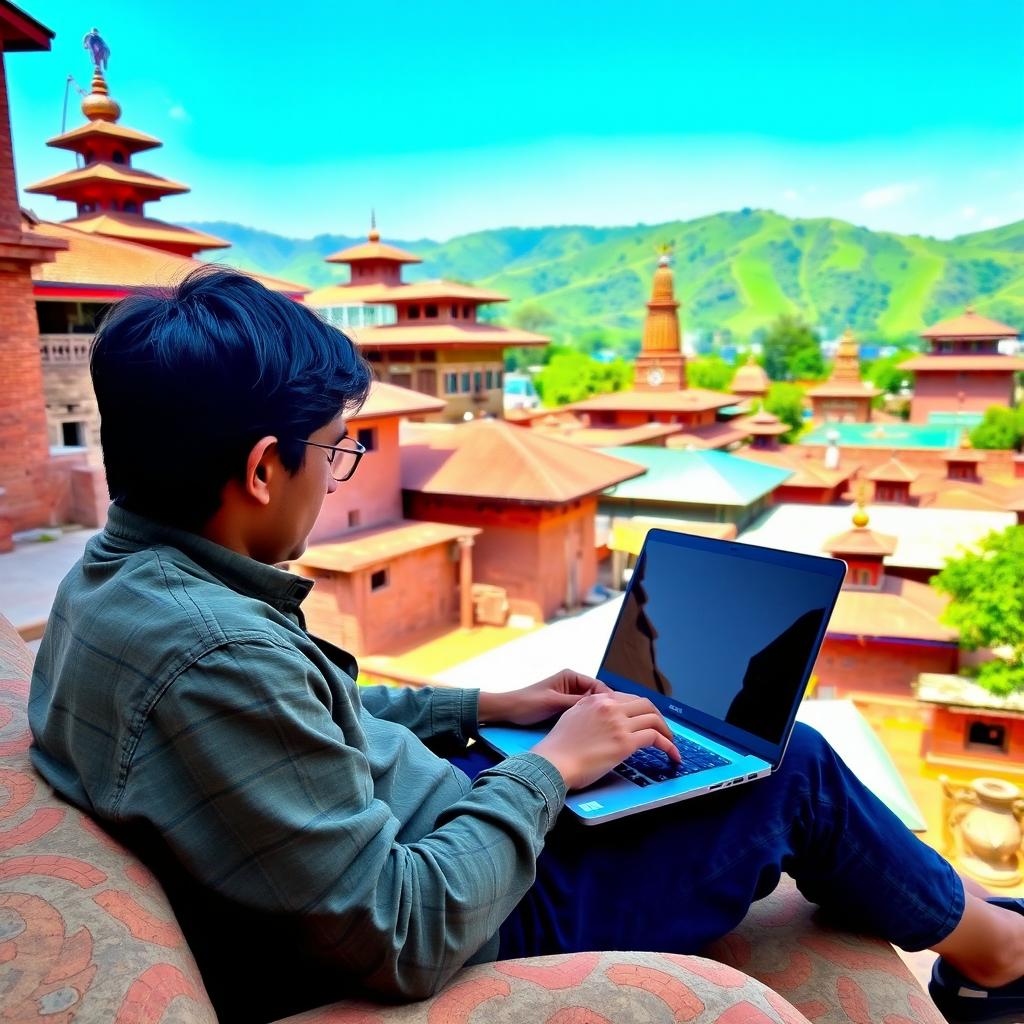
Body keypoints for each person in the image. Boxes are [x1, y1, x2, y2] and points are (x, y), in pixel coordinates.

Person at [29, 268, 1024, 1024]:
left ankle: (958, 909)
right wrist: (552, 768)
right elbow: (401, 931)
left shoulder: (120, 581)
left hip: (426, 818)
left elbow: (307, 720)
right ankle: (992, 955)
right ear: (258, 469)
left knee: (657, 747)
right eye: (335, 449)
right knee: (789, 767)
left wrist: (487, 712)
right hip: (474, 911)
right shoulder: (210, 652)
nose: (339, 473)